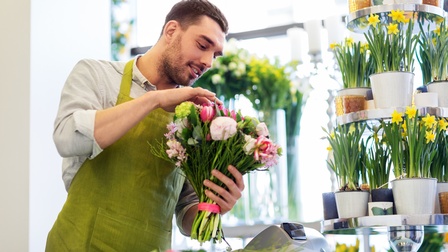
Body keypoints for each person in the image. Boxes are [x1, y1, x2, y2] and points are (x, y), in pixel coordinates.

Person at [45, 0, 245, 251]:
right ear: (171, 31)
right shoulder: (97, 75)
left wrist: (215, 205)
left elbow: (186, 215)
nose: (208, 62)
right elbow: (66, 138)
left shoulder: (195, 119)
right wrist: (155, 99)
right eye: (202, 45)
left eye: (215, 54)